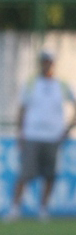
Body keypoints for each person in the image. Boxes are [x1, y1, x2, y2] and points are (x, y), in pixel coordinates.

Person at [5, 51, 76, 222]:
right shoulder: (30, 83)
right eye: (44, 62)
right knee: (25, 174)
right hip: (32, 135)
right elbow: (22, 110)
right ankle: (15, 208)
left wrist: (68, 129)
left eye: (50, 62)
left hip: (53, 137)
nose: (47, 65)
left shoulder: (63, 84)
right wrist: (20, 133)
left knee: (50, 175)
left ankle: (43, 209)